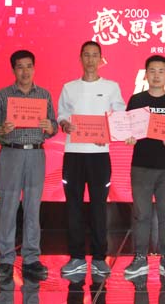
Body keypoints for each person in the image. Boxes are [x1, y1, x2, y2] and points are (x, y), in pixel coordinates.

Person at [57, 41, 125, 278]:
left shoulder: (111, 87)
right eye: (86, 55)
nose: (90, 60)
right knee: (73, 206)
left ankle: (99, 257)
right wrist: (64, 124)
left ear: (100, 59)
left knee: (99, 207)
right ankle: (76, 257)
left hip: (99, 156)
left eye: (95, 55)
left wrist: (107, 132)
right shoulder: (69, 87)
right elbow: (62, 114)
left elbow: (119, 117)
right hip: (73, 154)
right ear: (80, 59)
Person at [0, 49, 58, 281]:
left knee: (32, 208)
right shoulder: (2, 96)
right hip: (11, 153)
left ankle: (31, 258)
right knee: (8, 207)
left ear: (34, 68)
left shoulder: (44, 95)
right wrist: (2, 129)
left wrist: (50, 127)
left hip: (36, 155)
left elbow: (53, 126)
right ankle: (6, 259)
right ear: (13, 70)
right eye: (20, 67)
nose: (25, 71)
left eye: (29, 66)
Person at [123, 55, 165, 280]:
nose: (156, 75)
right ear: (146, 74)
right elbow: (128, 128)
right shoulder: (137, 100)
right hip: (141, 166)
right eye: (152, 71)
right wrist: (129, 137)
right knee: (141, 215)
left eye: (161, 71)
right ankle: (140, 257)